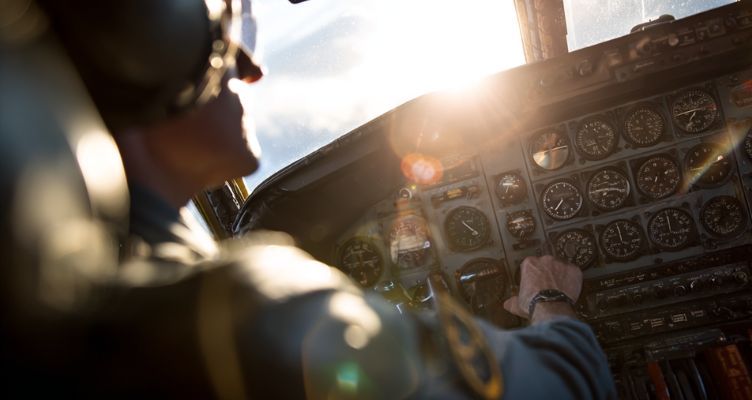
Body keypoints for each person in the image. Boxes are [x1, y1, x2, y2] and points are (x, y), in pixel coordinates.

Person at [24, 0, 617, 398]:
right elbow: (562, 383)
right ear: (150, 41)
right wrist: (549, 300)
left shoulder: (77, 326)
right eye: (224, 29)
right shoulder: (251, 311)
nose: (250, 67)